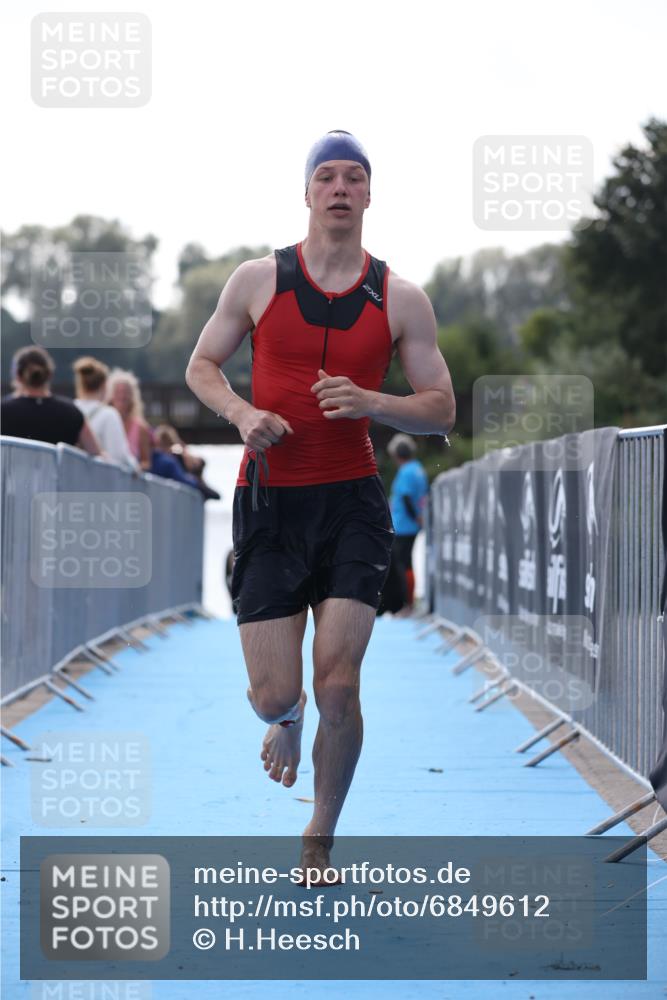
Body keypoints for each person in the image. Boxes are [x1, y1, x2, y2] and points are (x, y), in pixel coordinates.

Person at [185, 130, 455, 882]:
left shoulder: (399, 296)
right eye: (326, 177)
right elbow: (202, 365)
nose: (339, 188)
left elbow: (440, 411)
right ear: (306, 194)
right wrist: (240, 416)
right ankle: (286, 720)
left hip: (351, 505)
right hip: (269, 501)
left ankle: (319, 836)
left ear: (369, 195)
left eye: (354, 177)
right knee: (275, 693)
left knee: (340, 683)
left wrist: (372, 400)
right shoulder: (255, 279)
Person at [1, 345, 102, 455]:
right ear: (50, 374)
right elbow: (96, 454)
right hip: (62, 473)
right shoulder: (72, 412)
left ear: (17, 376)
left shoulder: (3, 410)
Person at [73, 356, 140, 472]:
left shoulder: (70, 409)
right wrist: (134, 466)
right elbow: (119, 456)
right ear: (104, 386)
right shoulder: (109, 414)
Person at [387, 433, 429, 614]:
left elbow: (405, 497)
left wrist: (414, 517)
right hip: (411, 524)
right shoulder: (418, 468)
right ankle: (407, 603)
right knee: (406, 564)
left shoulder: (406, 471)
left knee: (402, 565)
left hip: (404, 525)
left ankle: (406, 604)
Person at [106, 368, 154, 471]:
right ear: (111, 395)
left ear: (132, 396)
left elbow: (146, 462)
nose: (122, 396)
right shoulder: (104, 422)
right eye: (118, 392)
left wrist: (135, 469)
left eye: (126, 392)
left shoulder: (141, 428)